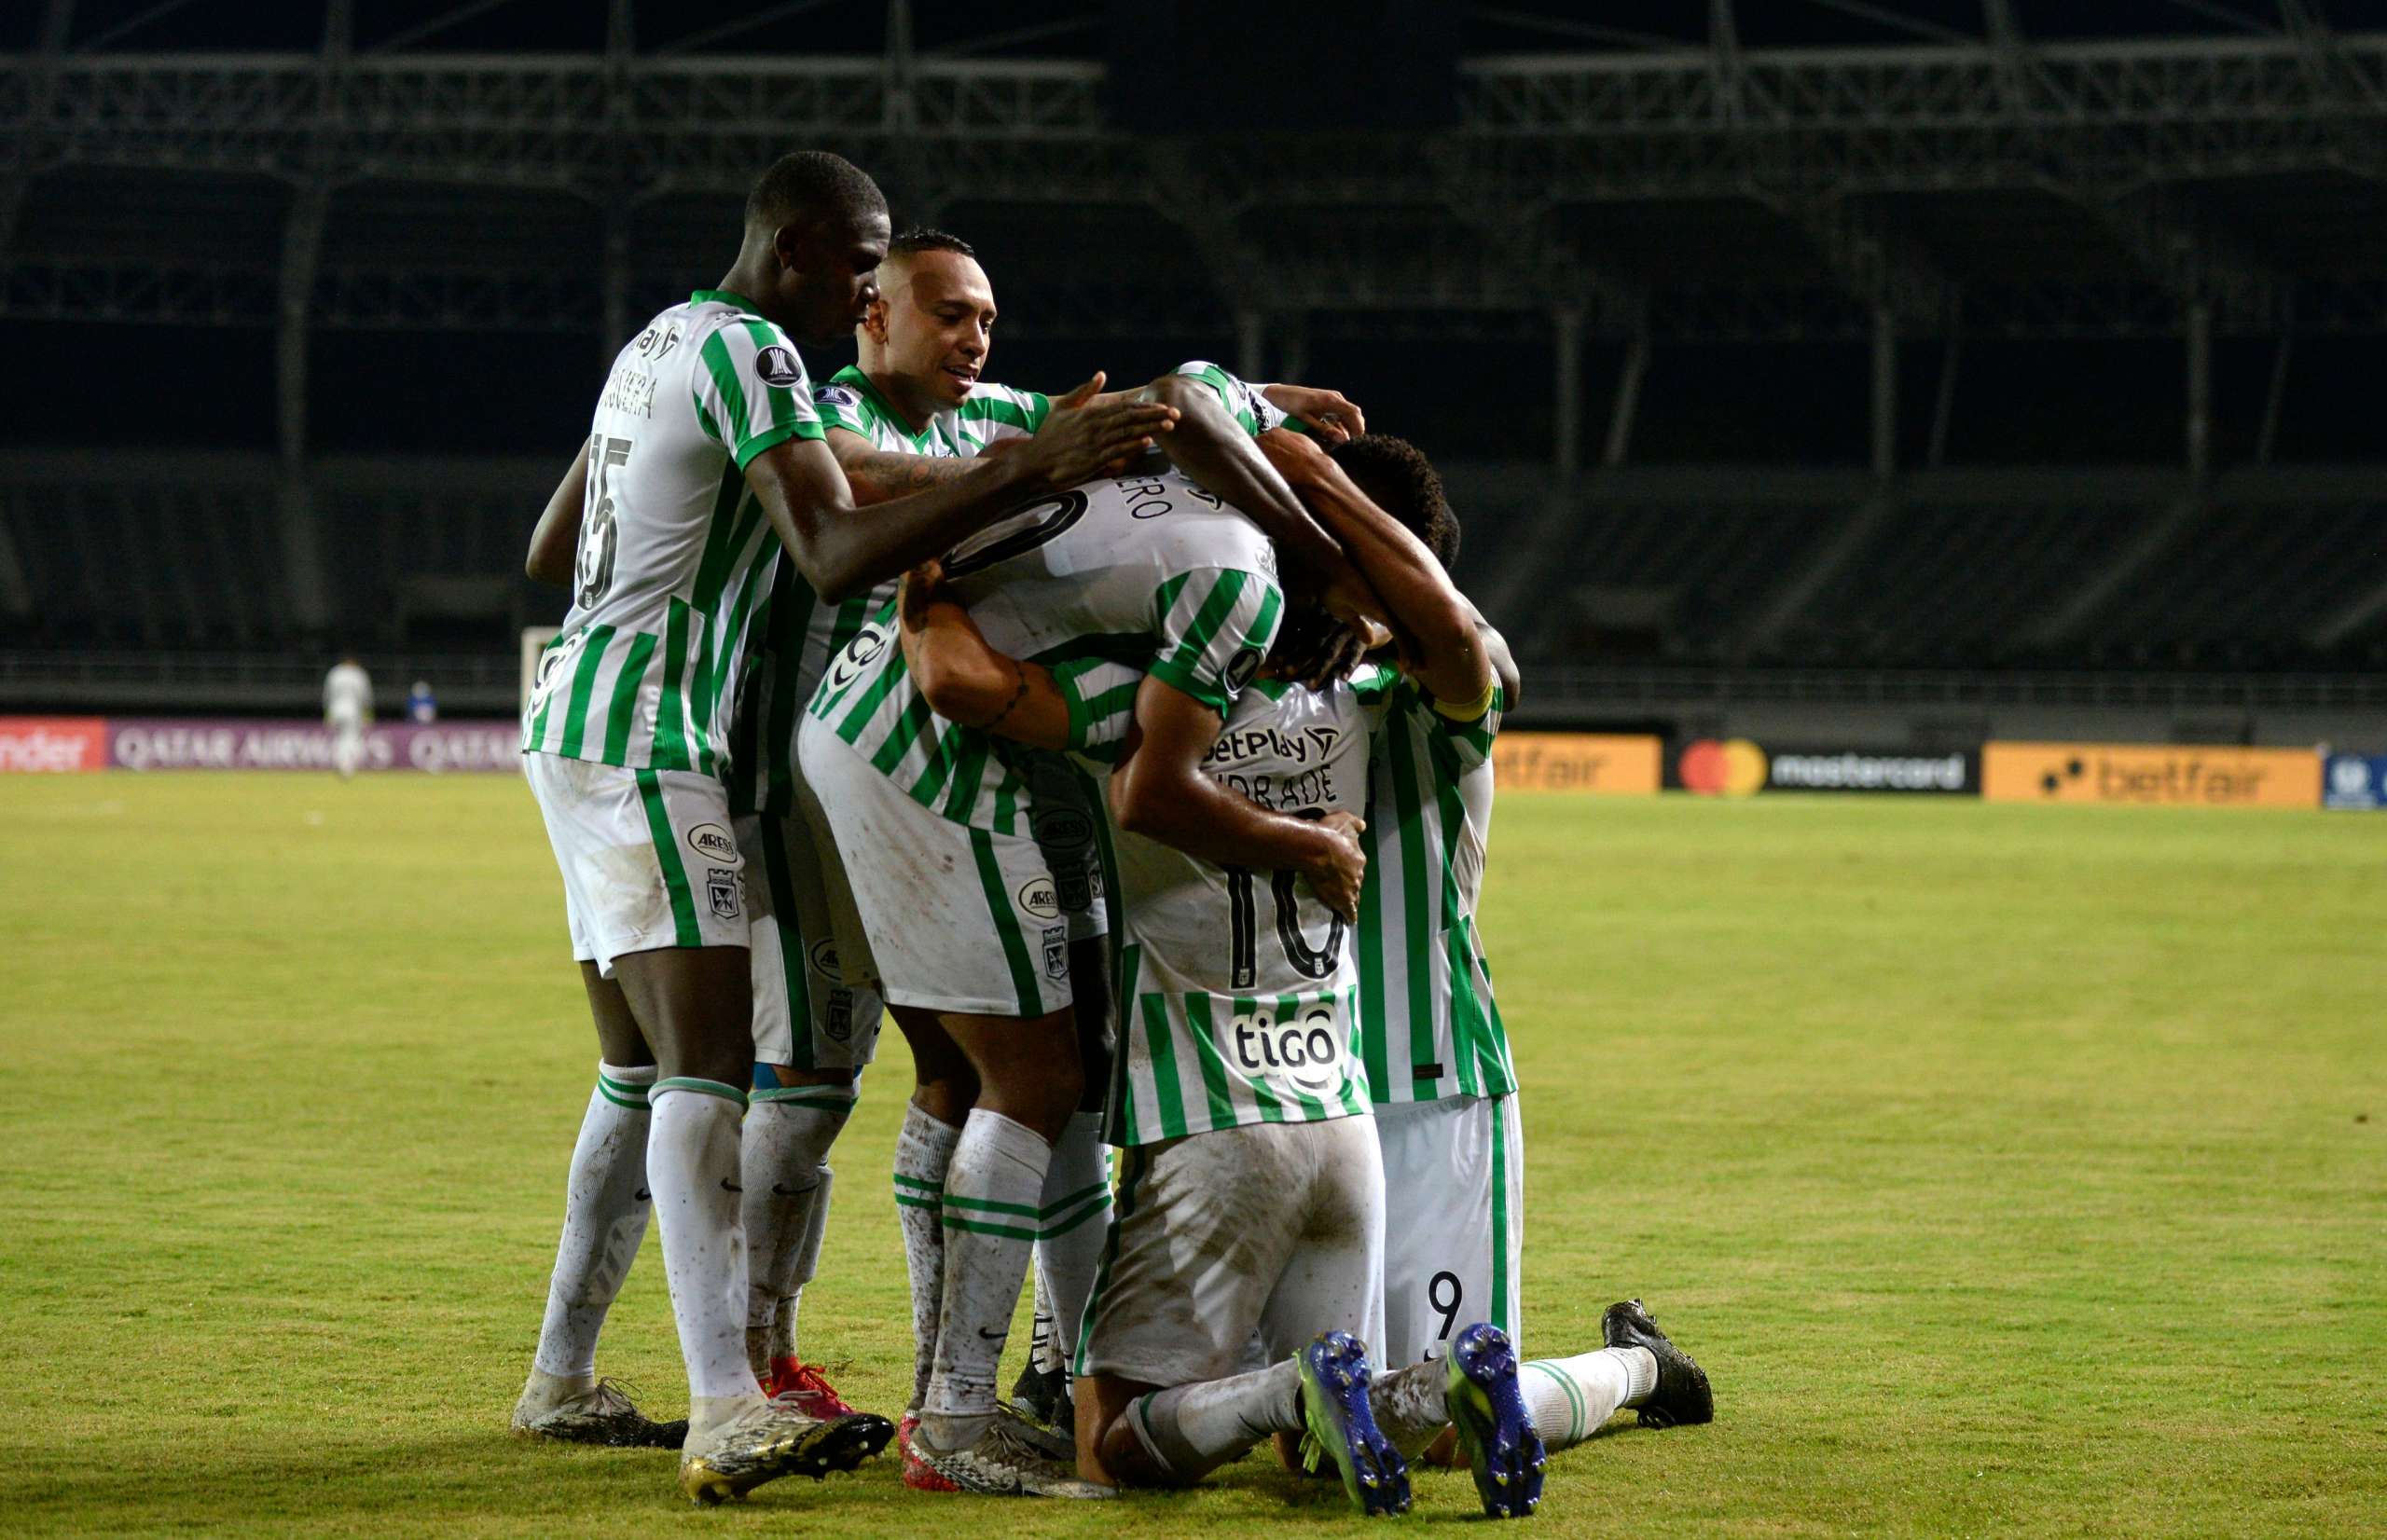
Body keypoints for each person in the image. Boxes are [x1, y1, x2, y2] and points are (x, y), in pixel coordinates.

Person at [508, 147, 1177, 1506]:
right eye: (861, 266)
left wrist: (1002, 453)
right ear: (802, 253)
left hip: (574, 716)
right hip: (651, 742)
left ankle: (563, 1377)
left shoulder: (658, 340)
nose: (867, 294)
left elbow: (547, 550)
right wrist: (1013, 478)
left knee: (636, 1074)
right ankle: (726, 1406)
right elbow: (828, 550)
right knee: (711, 1072)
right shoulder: (755, 351)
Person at [796, 375, 1347, 1496]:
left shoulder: (1178, 463)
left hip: (859, 722)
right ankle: (953, 1412)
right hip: (926, 761)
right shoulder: (1236, 587)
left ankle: (1018, 1371)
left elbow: (1191, 389)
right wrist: (1306, 842)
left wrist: (1270, 398)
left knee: (968, 1071)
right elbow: (1147, 788)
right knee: (1039, 1075)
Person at [323, 656, 372, 778]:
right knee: (351, 738)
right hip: (353, 710)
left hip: (336, 710)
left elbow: (327, 694)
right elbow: (366, 696)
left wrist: (327, 713)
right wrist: (368, 713)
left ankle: (340, 763)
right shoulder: (358, 674)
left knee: (339, 738)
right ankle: (347, 767)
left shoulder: (335, 672)